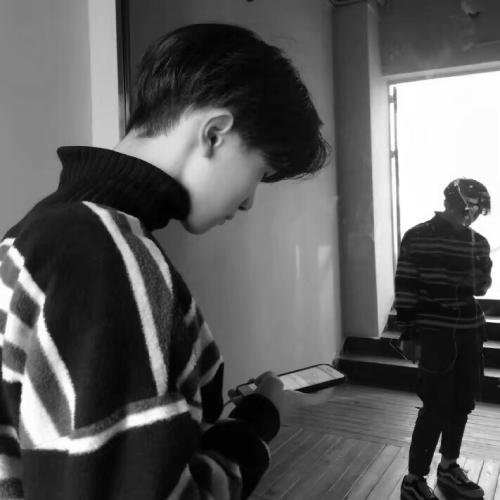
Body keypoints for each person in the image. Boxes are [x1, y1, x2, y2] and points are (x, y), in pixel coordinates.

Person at [0, 23, 329, 499]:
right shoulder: (102, 254)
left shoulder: (46, 228)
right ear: (215, 133)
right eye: (260, 172)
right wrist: (259, 420)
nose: (248, 202)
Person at [396, 178, 492, 500]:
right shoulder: (417, 236)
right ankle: (414, 480)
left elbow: (481, 287)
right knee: (435, 406)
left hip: (470, 331)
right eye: (473, 209)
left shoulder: (478, 241)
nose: (474, 216)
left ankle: (449, 467)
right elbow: (405, 286)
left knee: (462, 403)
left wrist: (476, 268)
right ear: (460, 204)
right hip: (435, 333)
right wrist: (409, 332)